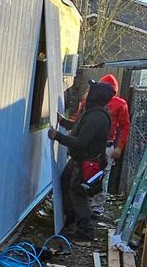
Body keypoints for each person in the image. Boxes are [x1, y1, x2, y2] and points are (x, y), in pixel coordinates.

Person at [48, 79, 112, 241]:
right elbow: (79, 128)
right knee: (65, 181)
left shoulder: (96, 117)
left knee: (79, 195)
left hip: (85, 162)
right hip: (80, 159)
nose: (87, 92)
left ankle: (85, 231)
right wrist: (63, 122)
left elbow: (81, 142)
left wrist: (58, 136)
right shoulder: (93, 112)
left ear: (96, 96)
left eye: (91, 91)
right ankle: (71, 221)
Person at [100, 72, 131, 193]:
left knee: (102, 177)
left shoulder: (120, 104)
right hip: (90, 142)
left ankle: (97, 207)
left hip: (107, 144)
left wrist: (119, 147)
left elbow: (125, 126)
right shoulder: (90, 99)